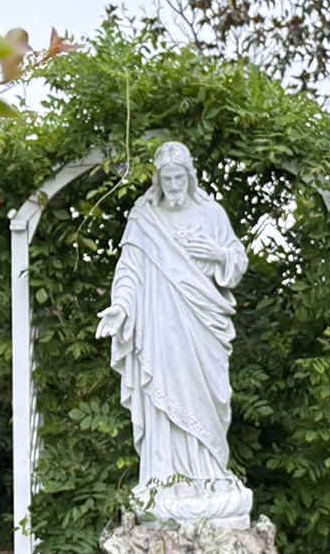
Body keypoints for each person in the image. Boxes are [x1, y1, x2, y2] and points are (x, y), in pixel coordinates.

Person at [95, 141, 253, 526]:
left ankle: (210, 475)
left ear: (190, 177)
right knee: (164, 397)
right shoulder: (145, 219)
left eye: (179, 177)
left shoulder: (212, 214)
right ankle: (166, 478)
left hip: (203, 327)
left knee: (209, 395)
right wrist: (121, 307)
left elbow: (238, 259)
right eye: (166, 179)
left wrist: (217, 254)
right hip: (160, 327)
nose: (173, 184)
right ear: (158, 180)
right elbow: (129, 270)